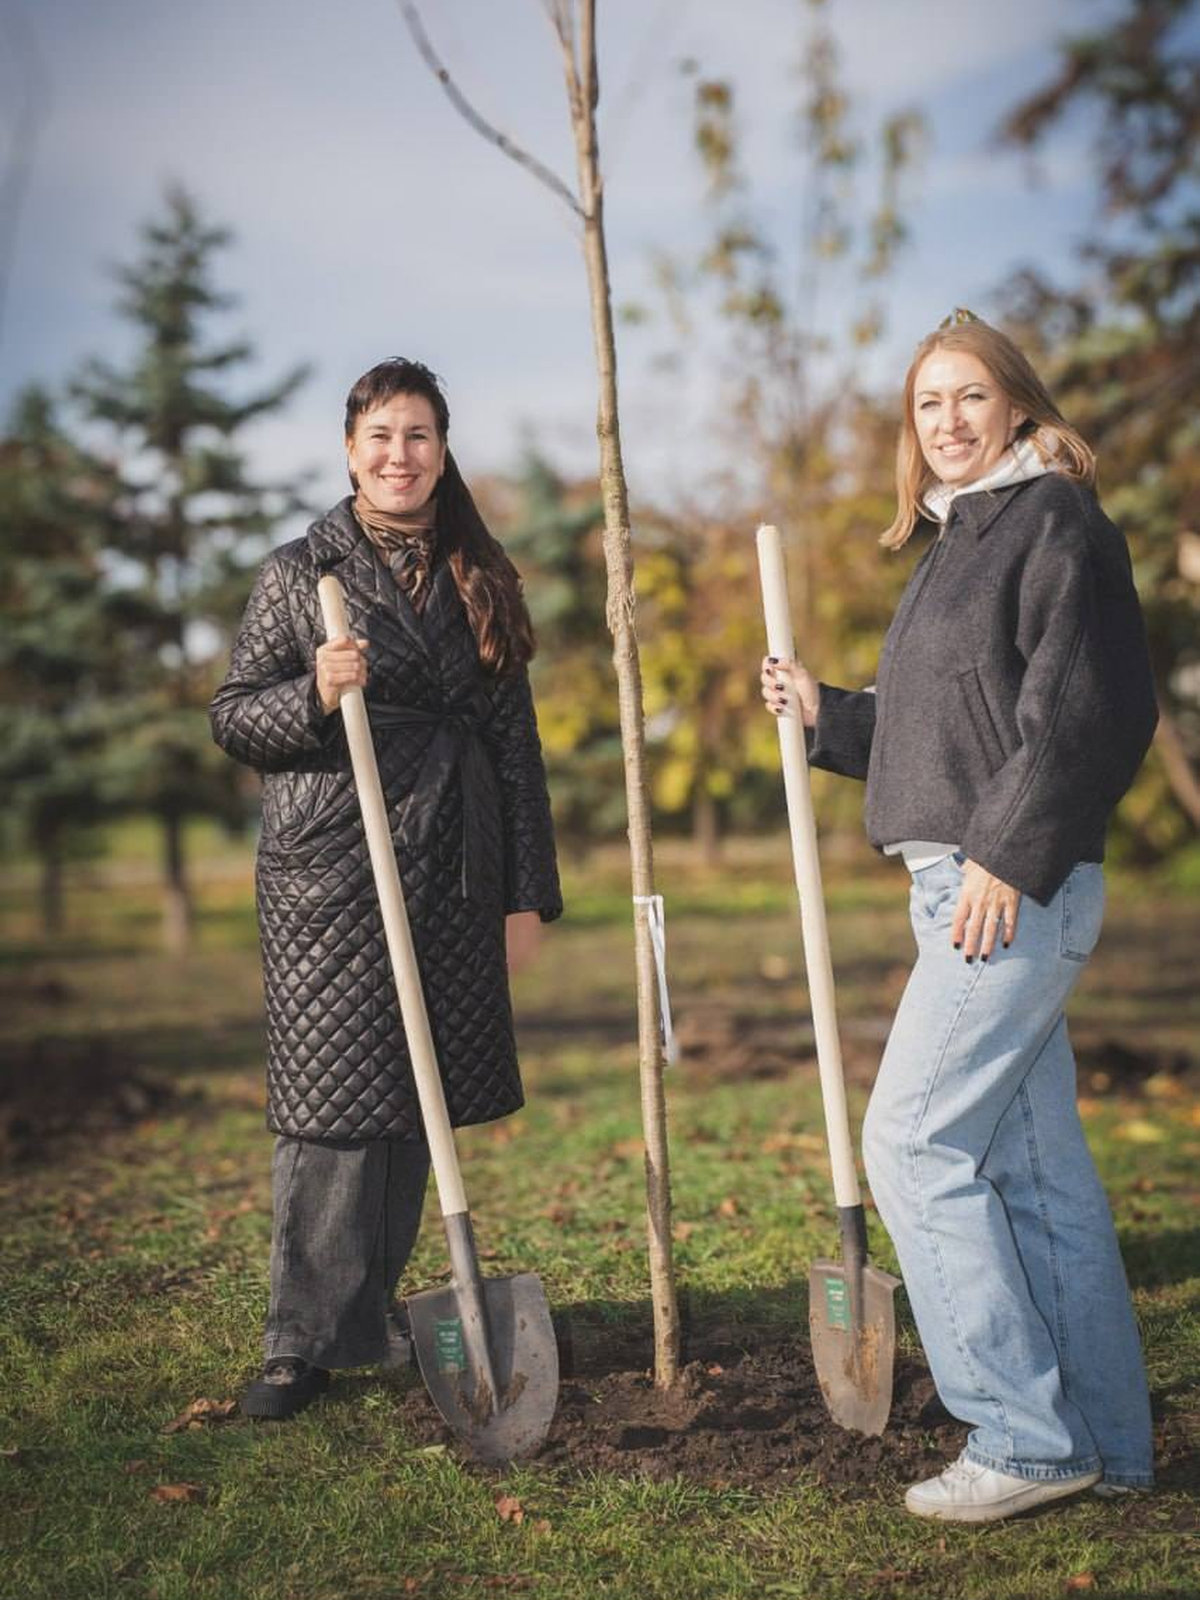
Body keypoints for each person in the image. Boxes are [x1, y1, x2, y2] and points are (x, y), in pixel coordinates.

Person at [762, 312, 1158, 1522]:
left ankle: (1023, 1439)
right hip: (974, 883)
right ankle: (1107, 1443)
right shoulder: (957, 539)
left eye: (969, 397)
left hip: (1004, 893)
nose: (946, 420)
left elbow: (1090, 711)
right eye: (927, 403)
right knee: (1039, 1182)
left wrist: (1007, 852)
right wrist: (829, 713)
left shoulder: (1052, 524)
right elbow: (948, 729)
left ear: (1020, 410)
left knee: (914, 1146)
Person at [211, 357, 562, 1419]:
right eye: (380, 436)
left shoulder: (478, 572)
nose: (399, 455)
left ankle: (368, 1318)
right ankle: (298, 1343)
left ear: (442, 450)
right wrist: (316, 691)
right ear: (350, 450)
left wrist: (524, 895)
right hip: (335, 866)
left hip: (453, 862)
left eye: (418, 435)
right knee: (332, 1107)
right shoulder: (295, 573)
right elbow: (232, 715)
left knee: (417, 1095)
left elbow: (514, 745)